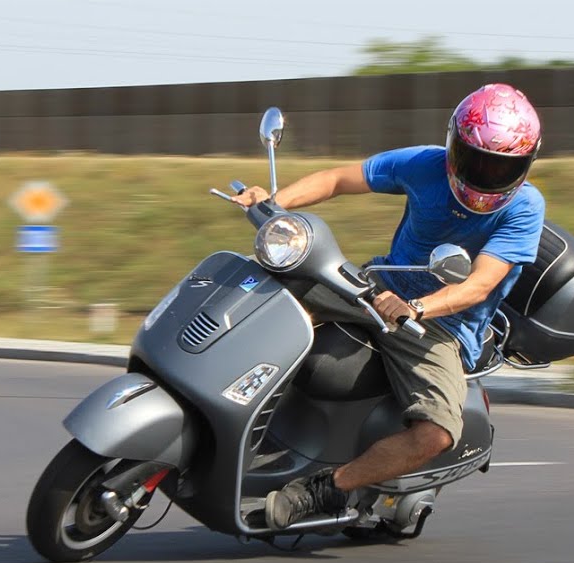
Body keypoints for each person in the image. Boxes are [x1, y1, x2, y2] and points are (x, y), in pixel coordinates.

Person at [230, 83, 547, 531]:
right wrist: (274, 204)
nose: (483, 174)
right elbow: (340, 179)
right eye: (475, 159)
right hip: (376, 285)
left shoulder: (525, 207)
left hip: (441, 327)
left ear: (524, 165)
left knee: (436, 433)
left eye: (500, 167)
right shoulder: (425, 165)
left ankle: (324, 490)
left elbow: (480, 285)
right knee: (268, 301)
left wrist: (416, 308)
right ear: (453, 144)